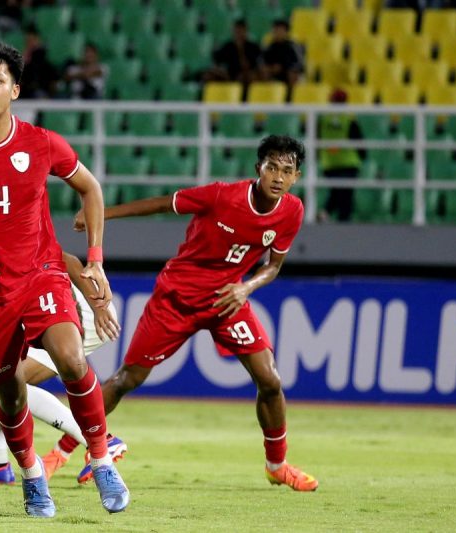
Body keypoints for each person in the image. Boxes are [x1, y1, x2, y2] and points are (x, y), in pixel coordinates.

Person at [0, 40, 129, 517]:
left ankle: (102, 460)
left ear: (14, 89)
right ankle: (32, 475)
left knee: (71, 358)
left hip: (41, 275)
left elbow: (91, 189)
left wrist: (95, 259)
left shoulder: (42, 142)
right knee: (7, 393)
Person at [73, 135, 319, 492]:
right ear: (258, 169)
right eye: (272, 168)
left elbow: (273, 266)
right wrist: (100, 214)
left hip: (226, 301)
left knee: (270, 380)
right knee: (127, 379)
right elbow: (161, 204)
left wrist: (246, 288)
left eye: (286, 171)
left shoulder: (292, 210)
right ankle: (65, 450)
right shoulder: (221, 195)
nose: (278, 177)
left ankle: (277, 465)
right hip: (177, 299)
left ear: (296, 176)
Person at [0, 210, 127, 485]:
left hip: (80, 312)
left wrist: (98, 305)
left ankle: (102, 440)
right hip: (60, 311)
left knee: (8, 380)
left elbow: (66, 259)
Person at [318, 88, 364, 222]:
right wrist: (363, 156)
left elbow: (317, 139)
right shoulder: (349, 119)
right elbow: (359, 142)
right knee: (345, 197)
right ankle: (341, 223)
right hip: (349, 163)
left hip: (329, 163)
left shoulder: (322, 119)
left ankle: (325, 213)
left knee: (336, 192)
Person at [205, 19, 262, 90]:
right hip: (229, 75)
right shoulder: (228, 46)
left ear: (246, 31)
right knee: (209, 76)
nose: (238, 34)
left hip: (247, 76)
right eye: (236, 31)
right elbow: (217, 60)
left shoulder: (253, 47)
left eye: (241, 31)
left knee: (249, 77)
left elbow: (258, 64)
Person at [261, 19, 304, 99]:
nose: (278, 32)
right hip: (275, 74)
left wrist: (284, 67)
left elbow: (299, 64)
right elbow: (264, 62)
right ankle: (269, 98)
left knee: (292, 75)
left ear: (286, 32)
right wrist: (271, 68)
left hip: (290, 73)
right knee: (264, 73)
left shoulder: (293, 46)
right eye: (276, 30)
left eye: (280, 30)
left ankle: (291, 98)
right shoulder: (270, 47)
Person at [19, 24, 59, 99]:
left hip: (41, 90)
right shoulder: (25, 58)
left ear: (37, 40)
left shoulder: (41, 55)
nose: (30, 43)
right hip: (26, 91)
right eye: (28, 41)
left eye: (32, 40)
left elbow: (49, 74)